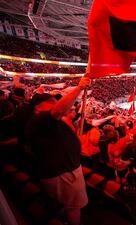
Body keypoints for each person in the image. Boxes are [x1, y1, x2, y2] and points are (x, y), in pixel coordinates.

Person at [25, 77, 91, 225]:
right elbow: (59, 110)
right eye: (51, 102)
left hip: (64, 172)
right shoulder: (39, 119)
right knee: (73, 207)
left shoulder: (45, 123)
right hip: (63, 174)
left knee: (67, 205)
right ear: (38, 106)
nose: (55, 103)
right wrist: (79, 88)